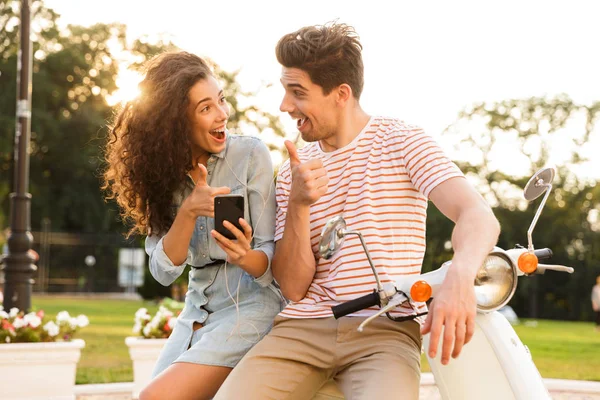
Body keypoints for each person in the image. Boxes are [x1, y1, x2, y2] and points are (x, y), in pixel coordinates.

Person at [215, 22, 501, 400]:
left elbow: (476, 214)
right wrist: (299, 204)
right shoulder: (290, 174)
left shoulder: (402, 141)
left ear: (341, 94)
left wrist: (460, 277)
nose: (285, 105)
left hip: (385, 329)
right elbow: (295, 287)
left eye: (297, 92)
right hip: (301, 331)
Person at [103, 51, 285, 400]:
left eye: (221, 100)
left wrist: (245, 255)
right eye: (205, 108)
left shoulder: (250, 155)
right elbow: (163, 272)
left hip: (250, 306)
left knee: (154, 397)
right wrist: (187, 212)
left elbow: (270, 258)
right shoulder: (159, 176)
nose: (222, 114)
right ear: (175, 123)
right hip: (196, 309)